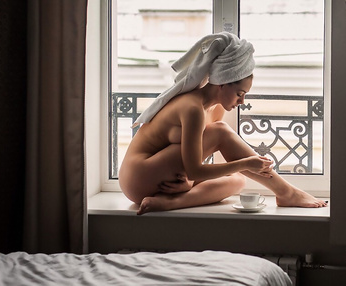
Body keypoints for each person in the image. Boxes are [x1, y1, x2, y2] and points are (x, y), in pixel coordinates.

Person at [118, 32, 327, 215]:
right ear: (222, 84)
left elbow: (196, 166)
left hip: (160, 176)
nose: (242, 101)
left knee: (238, 180)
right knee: (222, 133)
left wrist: (191, 182)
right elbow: (194, 170)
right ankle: (287, 192)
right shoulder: (192, 108)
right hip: (139, 175)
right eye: (239, 94)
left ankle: (171, 203)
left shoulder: (216, 108)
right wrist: (246, 163)